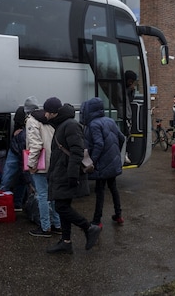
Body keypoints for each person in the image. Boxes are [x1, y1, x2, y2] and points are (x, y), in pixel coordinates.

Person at [44, 97, 101, 254]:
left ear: (54, 112)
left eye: (47, 112)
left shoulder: (70, 125)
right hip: (61, 173)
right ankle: (66, 241)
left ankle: (89, 228)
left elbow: (77, 151)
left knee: (61, 207)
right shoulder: (62, 125)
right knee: (63, 206)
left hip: (66, 174)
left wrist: (72, 175)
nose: (45, 115)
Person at [80, 97, 126, 228]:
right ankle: (118, 215)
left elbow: (99, 144)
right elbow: (121, 138)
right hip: (112, 162)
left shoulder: (94, 124)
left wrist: (92, 162)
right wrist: (116, 154)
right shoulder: (110, 121)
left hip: (101, 164)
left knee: (100, 192)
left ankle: (97, 220)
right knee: (113, 189)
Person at [25, 96, 62, 237]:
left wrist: (31, 164)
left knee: (42, 195)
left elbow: (36, 145)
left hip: (41, 163)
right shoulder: (47, 119)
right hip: (52, 161)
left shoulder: (31, 121)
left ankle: (45, 227)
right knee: (52, 195)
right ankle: (57, 225)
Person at [0, 105, 29, 212]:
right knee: (22, 179)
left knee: (7, 177)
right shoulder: (33, 124)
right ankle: (17, 203)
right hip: (24, 151)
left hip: (15, 150)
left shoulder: (20, 112)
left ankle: (1, 204)